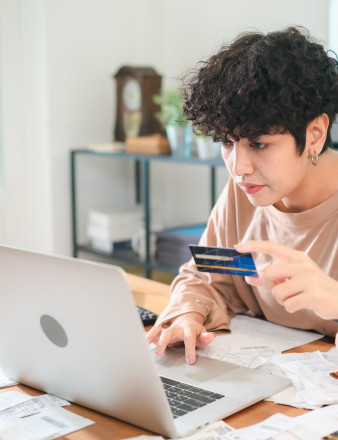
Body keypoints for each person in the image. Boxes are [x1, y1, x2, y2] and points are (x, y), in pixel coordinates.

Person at [146, 26, 338, 365]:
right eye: (227, 143)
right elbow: (206, 276)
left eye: (259, 144)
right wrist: (189, 314)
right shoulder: (246, 192)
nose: (238, 167)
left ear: (315, 133)